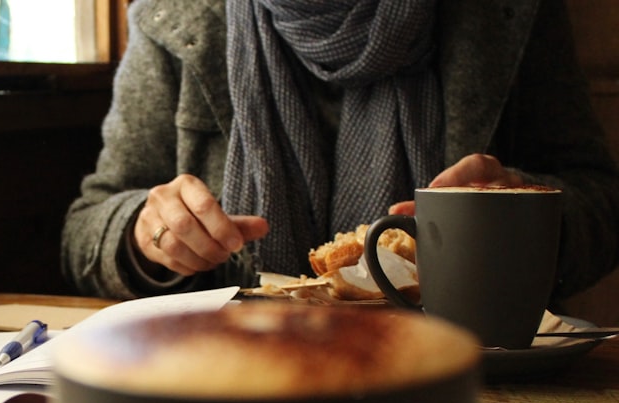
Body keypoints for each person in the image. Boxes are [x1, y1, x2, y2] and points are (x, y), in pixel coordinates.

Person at [61, 0, 619, 301]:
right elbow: (86, 230)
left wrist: (529, 215)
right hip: (229, 381)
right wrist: (146, 234)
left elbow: (602, 204)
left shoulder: (507, 14)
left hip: (459, 385)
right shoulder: (173, 16)